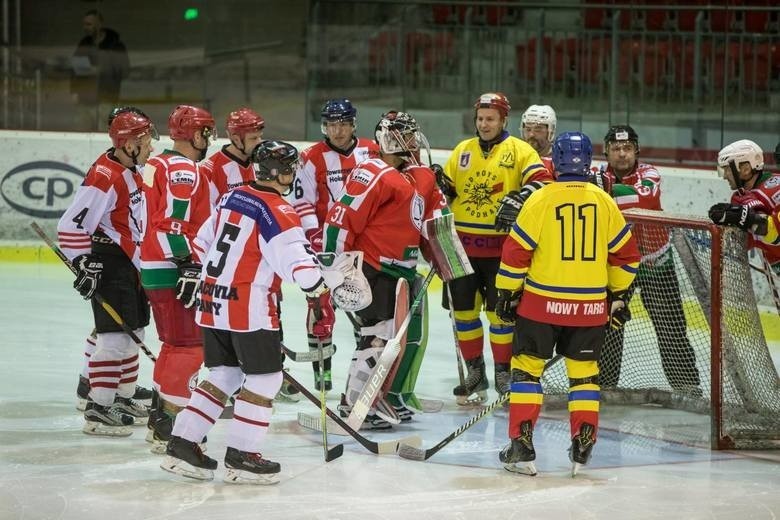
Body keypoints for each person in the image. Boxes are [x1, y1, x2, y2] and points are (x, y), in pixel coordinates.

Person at [160, 140, 337, 484]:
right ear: (281, 172)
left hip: (211, 301)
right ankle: (242, 455)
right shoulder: (279, 211)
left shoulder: (232, 196)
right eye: (290, 169)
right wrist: (319, 286)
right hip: (249, 308)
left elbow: (201, 244)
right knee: (266, 378)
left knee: (223, 376)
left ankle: (182, 443)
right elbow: (300, 268)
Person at [494, 131, 640, 476]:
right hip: (589, 310)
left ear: (556, 161)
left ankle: (522, 443)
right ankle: (583, 441)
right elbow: (627, 256)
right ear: (588, 160)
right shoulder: (604, 201)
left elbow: (516, 253)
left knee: (527, 369)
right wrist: (617, 296)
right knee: (585, 377)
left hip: (540, 305)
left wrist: (507, 293)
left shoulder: (541, 199)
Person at [322, 110, 449, 428]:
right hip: (373, 268)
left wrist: (446, 261)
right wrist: (337, 271)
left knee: (392, 339)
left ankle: (373, 399)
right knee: (376, 336)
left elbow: (430, 226)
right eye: (407, 135)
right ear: (391, 139)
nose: (413, 141)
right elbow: (340, 219)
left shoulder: (419, 176)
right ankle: (355, 406)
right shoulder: (373, 172)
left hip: (402, 272)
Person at [436, 92, 551, 404]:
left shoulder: (521, 150)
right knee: (464, 314)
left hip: (502, 253)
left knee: (501, 317)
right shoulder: (462, 150)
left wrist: (520, 195)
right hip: (461, 251)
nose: (484, 124)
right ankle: (476, 372)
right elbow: (445, 193)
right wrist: (438, 186)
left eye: (490, 119)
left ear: (503, 120)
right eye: (480, 118)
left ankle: (503, 371)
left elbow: (543, 182)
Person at [58, 110, 159, 436]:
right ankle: (98, 407)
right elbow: (70, 225)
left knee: (135, 334)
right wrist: (82, 263)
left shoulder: (131, 167)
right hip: (111, 264)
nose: (151, 145)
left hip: (131, 262)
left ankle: (122, 396)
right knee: (115, 339)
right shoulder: (106, 175)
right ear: (128, 142)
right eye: (145, 139)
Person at [591, 125, 701, 393]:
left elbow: (646, 197)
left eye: (627, 148)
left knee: (671, 327)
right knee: (609, 326)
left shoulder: (649, 172)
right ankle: (604, 385)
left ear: (636, 150)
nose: (622, 154)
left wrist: (604, 192)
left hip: (655, 260)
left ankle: (687, 385)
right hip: (616, 264)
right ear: (606, 151)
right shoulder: (594, 174)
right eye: (616, 148)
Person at [141, 105, 216, 452]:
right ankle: (171, 425)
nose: (209, 138)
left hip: (155, 266)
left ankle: (159, 419)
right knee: (190, 346)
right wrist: (187, 263)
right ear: (191, 133)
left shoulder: (158, 163)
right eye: (205, 131)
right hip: (173, 267)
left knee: (172, 344)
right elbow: (172, 222)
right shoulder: (184, 168)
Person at [291, 98, 379, 392]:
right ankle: (322, 378)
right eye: (330, 124)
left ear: (353, 124)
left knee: (366, 311)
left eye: (342, 124)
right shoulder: (310, 157)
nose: (336, 131)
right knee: (321, 311)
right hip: (327, 246)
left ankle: (360, 374)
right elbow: (302, 202)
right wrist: (316, 237)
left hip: (365, 247)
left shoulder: (372, 151)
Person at [708, 139, 780, 266]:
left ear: (746, 169)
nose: (724, 176)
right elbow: (747, 244)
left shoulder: (775, 190)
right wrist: (731, 221)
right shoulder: (741, 198)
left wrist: (751, 219)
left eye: (727, 169)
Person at [70, 10, 130, 132]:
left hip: (106, 98)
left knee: (104, 134)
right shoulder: (84, 44)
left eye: (89, 24)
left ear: (99, 24)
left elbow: (124, 71)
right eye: (84, 24)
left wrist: (102, 70)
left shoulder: (115, 45)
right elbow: (74, 69)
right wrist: (74, 91)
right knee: (81, 132)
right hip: (85, 98)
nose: (85, 27)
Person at [202, 107, 265, 206]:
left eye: (260, 136)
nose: (259, 142)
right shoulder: (211, 170)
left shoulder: (264, 161)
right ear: (236, 139)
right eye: (253, 138)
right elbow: (206, 214)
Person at [520, 104, 557, 174]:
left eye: (537, 130)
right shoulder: (516, 157)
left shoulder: (559, 162)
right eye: (528, 129)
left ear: (550, 131)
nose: (531, 134)